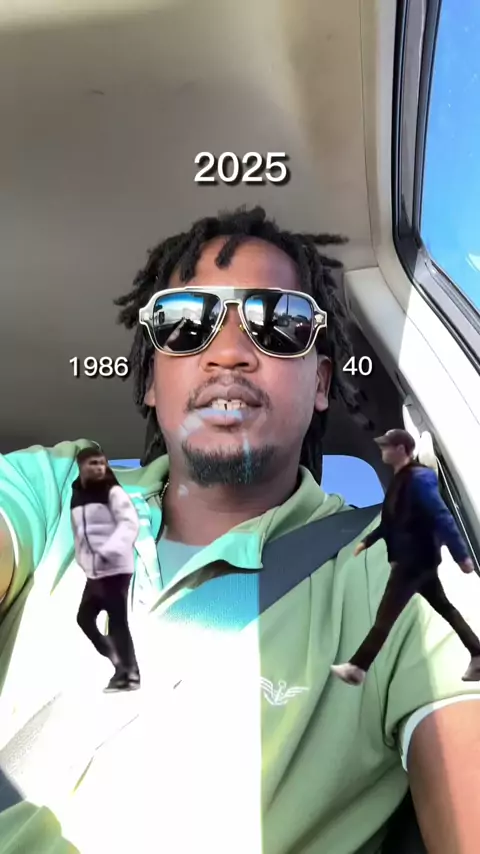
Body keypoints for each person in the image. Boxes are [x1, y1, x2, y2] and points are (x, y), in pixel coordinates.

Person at [1, 207, 480, 853]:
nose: (228, 353)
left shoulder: (402, 571)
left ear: (320, 383)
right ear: (151, 378)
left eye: (278, 323)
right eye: (184, 322)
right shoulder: (51, 493)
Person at [331, 428, 480, 688]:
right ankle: (478, 653)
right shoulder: (399, 481)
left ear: (401, 449)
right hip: (414, 561)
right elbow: (389, 524)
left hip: (414, 562)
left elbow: (441, 515)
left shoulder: (419, 478)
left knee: (385, 616)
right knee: (444, 608)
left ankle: (357, 667)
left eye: (387, 446)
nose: (382, 450)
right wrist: (367, 541)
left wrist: (461, 556)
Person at [71, 447, 141, 692]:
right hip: (94, 570)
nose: (99, 468)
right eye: (93, 463)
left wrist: (107, 551)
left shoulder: (113, 492)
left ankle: (129, 674)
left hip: (116, 568)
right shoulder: (78, 495)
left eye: (102, 463)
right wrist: (83, 559)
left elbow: (129, 524)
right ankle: (118, 661)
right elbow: (80, 532)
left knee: (117, 619)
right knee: (84, 618)